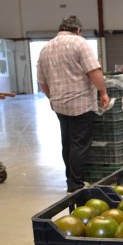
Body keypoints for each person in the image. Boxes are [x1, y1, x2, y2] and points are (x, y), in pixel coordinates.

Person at [37, 15, 109, 193]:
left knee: (67, 143)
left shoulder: (46, 48)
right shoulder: (79, 43)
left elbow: (42, 81)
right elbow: (94, 70)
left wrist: (52, 97)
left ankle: (70, 178)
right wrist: (103, 92)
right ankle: (75, 184)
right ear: (78, 30)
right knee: (78, 145)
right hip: (81, 104)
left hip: (59, 105)